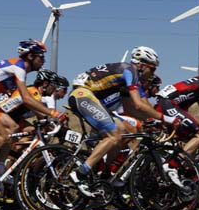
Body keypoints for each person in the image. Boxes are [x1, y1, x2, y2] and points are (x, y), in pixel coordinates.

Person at [0, 40, 63, 189]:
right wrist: (53, 113)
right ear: (31, 56)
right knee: (3, 136)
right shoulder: (18, 66)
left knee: (13, 127)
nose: (43, 60)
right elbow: (27, 99)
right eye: (41, 56)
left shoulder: (19, 71)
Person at [68, 46, 171, 195]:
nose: (152, 74)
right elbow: (139, 104)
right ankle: (80, 174)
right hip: (82, 94)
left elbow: (131, 110)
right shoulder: (130, 70)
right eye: (152, 69)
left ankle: (106, 175)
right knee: (114, 134)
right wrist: (166, 119)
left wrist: (151, 120)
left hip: (88, 96)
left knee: (122, 131)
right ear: (142, 65)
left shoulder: (126, 76)